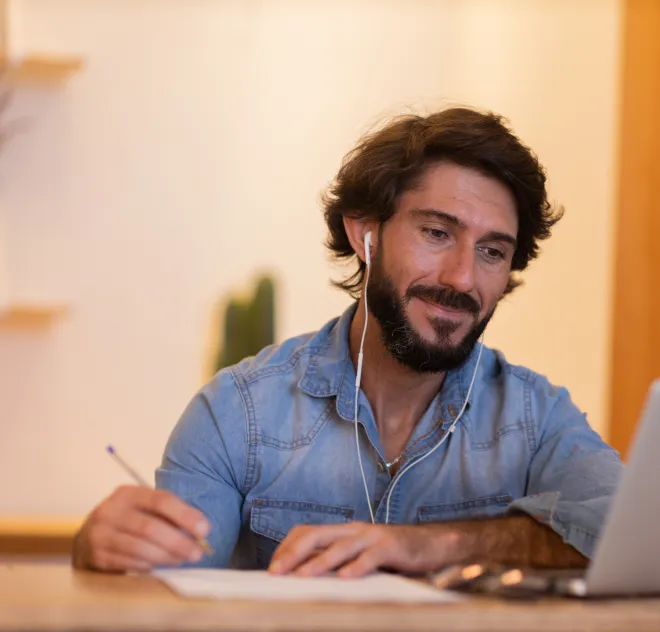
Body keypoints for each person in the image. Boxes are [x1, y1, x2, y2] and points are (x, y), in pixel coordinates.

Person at [72, 107, 623, 577]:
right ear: (367, 235)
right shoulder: (238, 413)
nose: (462, 278)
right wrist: (103, 552)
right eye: (437, 233)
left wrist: (437, 545)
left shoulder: (537, 418)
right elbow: (164, 592)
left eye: (492, 251)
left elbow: (627, 531)